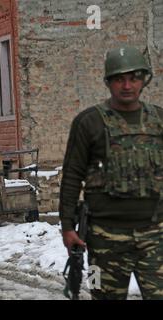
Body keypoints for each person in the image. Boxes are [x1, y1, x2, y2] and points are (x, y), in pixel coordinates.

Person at [59, 45, 163, 300]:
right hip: (103, 239)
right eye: (119, 79)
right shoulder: (88, 122)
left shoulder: (159, 120)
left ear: (143, 80)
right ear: (108, 82)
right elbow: (72, 176)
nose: (127, 85)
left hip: (155, 235)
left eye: (133, 78)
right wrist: (67, 226)